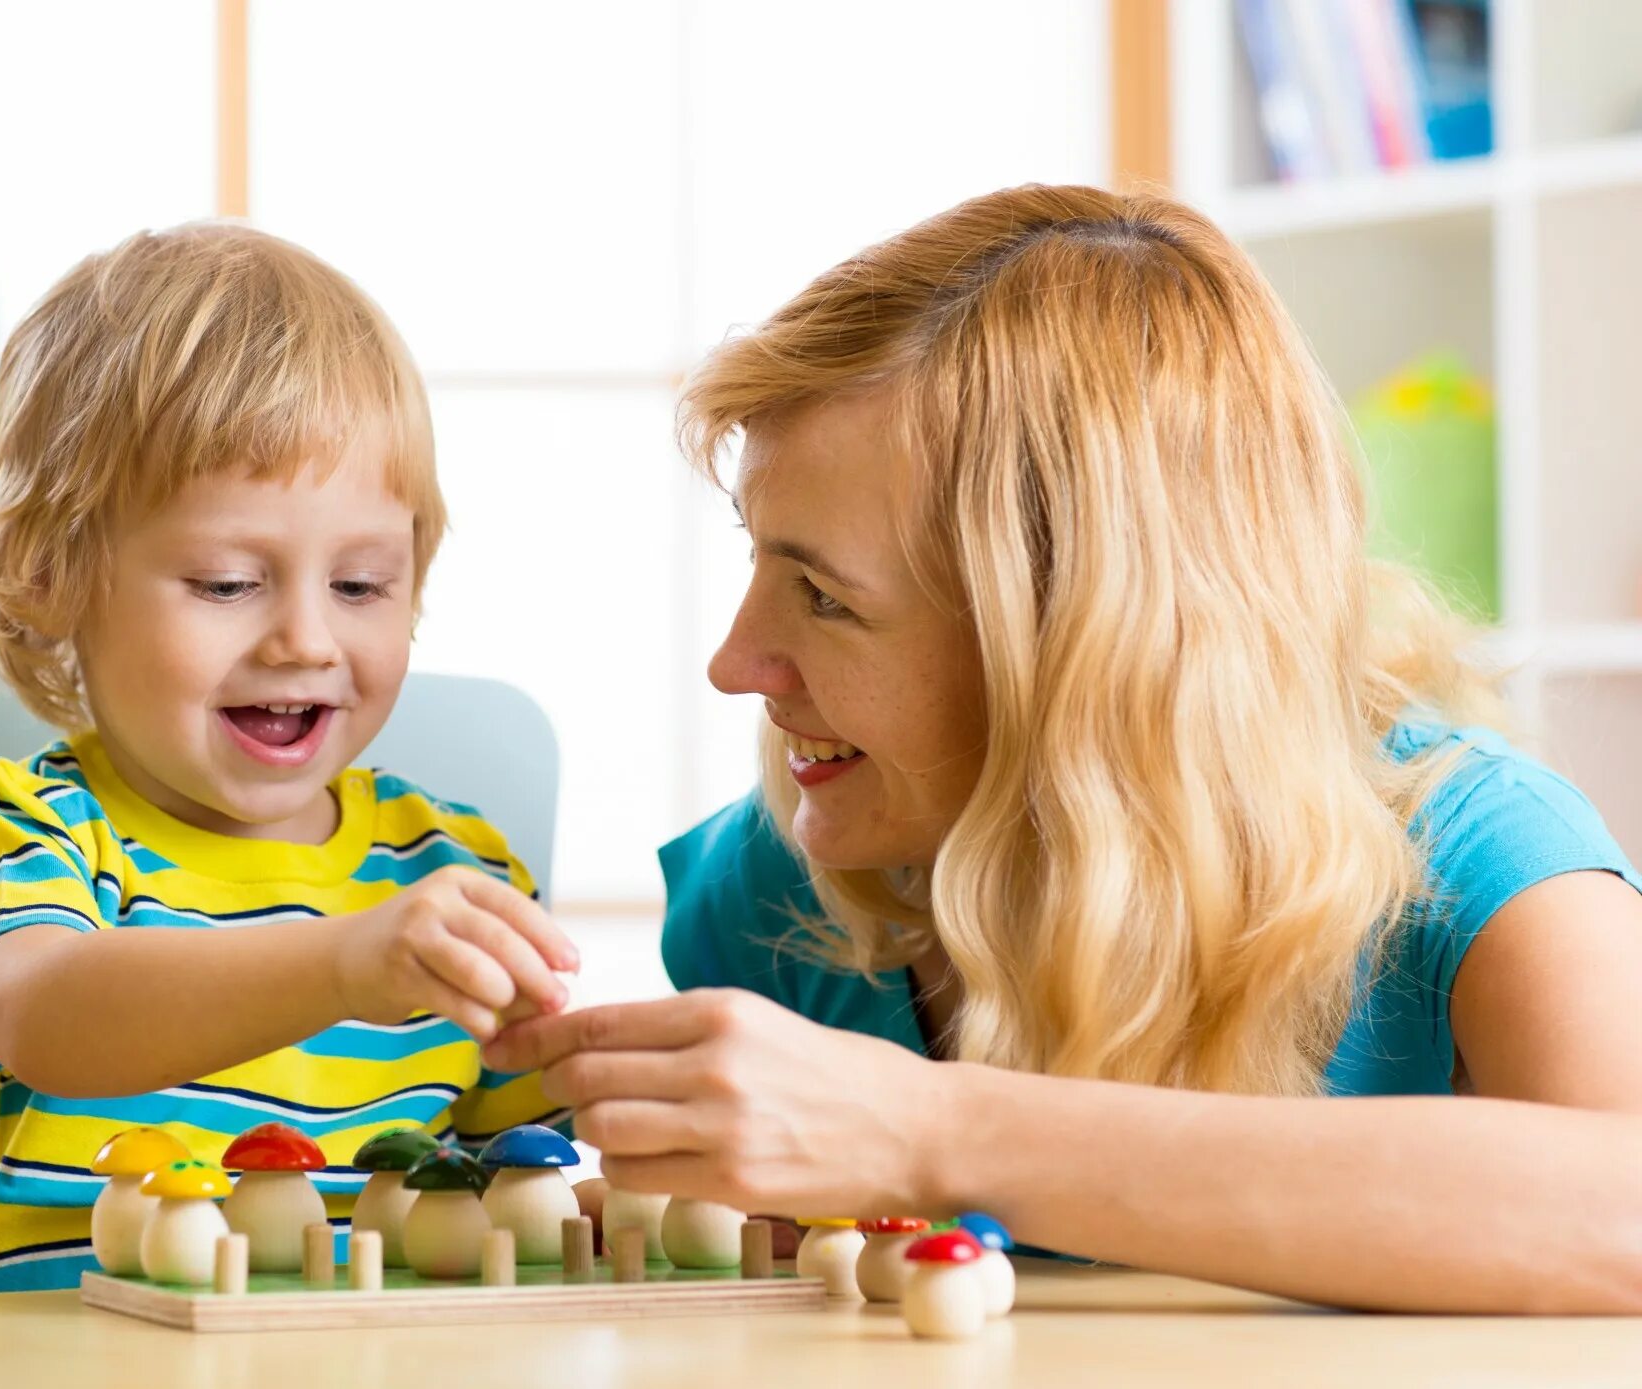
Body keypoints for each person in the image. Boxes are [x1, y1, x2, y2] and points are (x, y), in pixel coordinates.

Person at [492, 184, 1642, 1313]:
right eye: (757, 561)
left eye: (825, 598)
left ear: (1084, 637)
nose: (736, 662)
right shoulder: (776, 890)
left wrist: (925, 1131)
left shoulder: (1478, 857)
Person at [0, 224, 575, 1292]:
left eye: (360, 586)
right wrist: (344, 961)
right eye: (226, 583)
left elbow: (529, 1185)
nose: (305, 640)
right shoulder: (37, 827)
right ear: (47, 576)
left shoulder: (448, 867)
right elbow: (45, 1020)